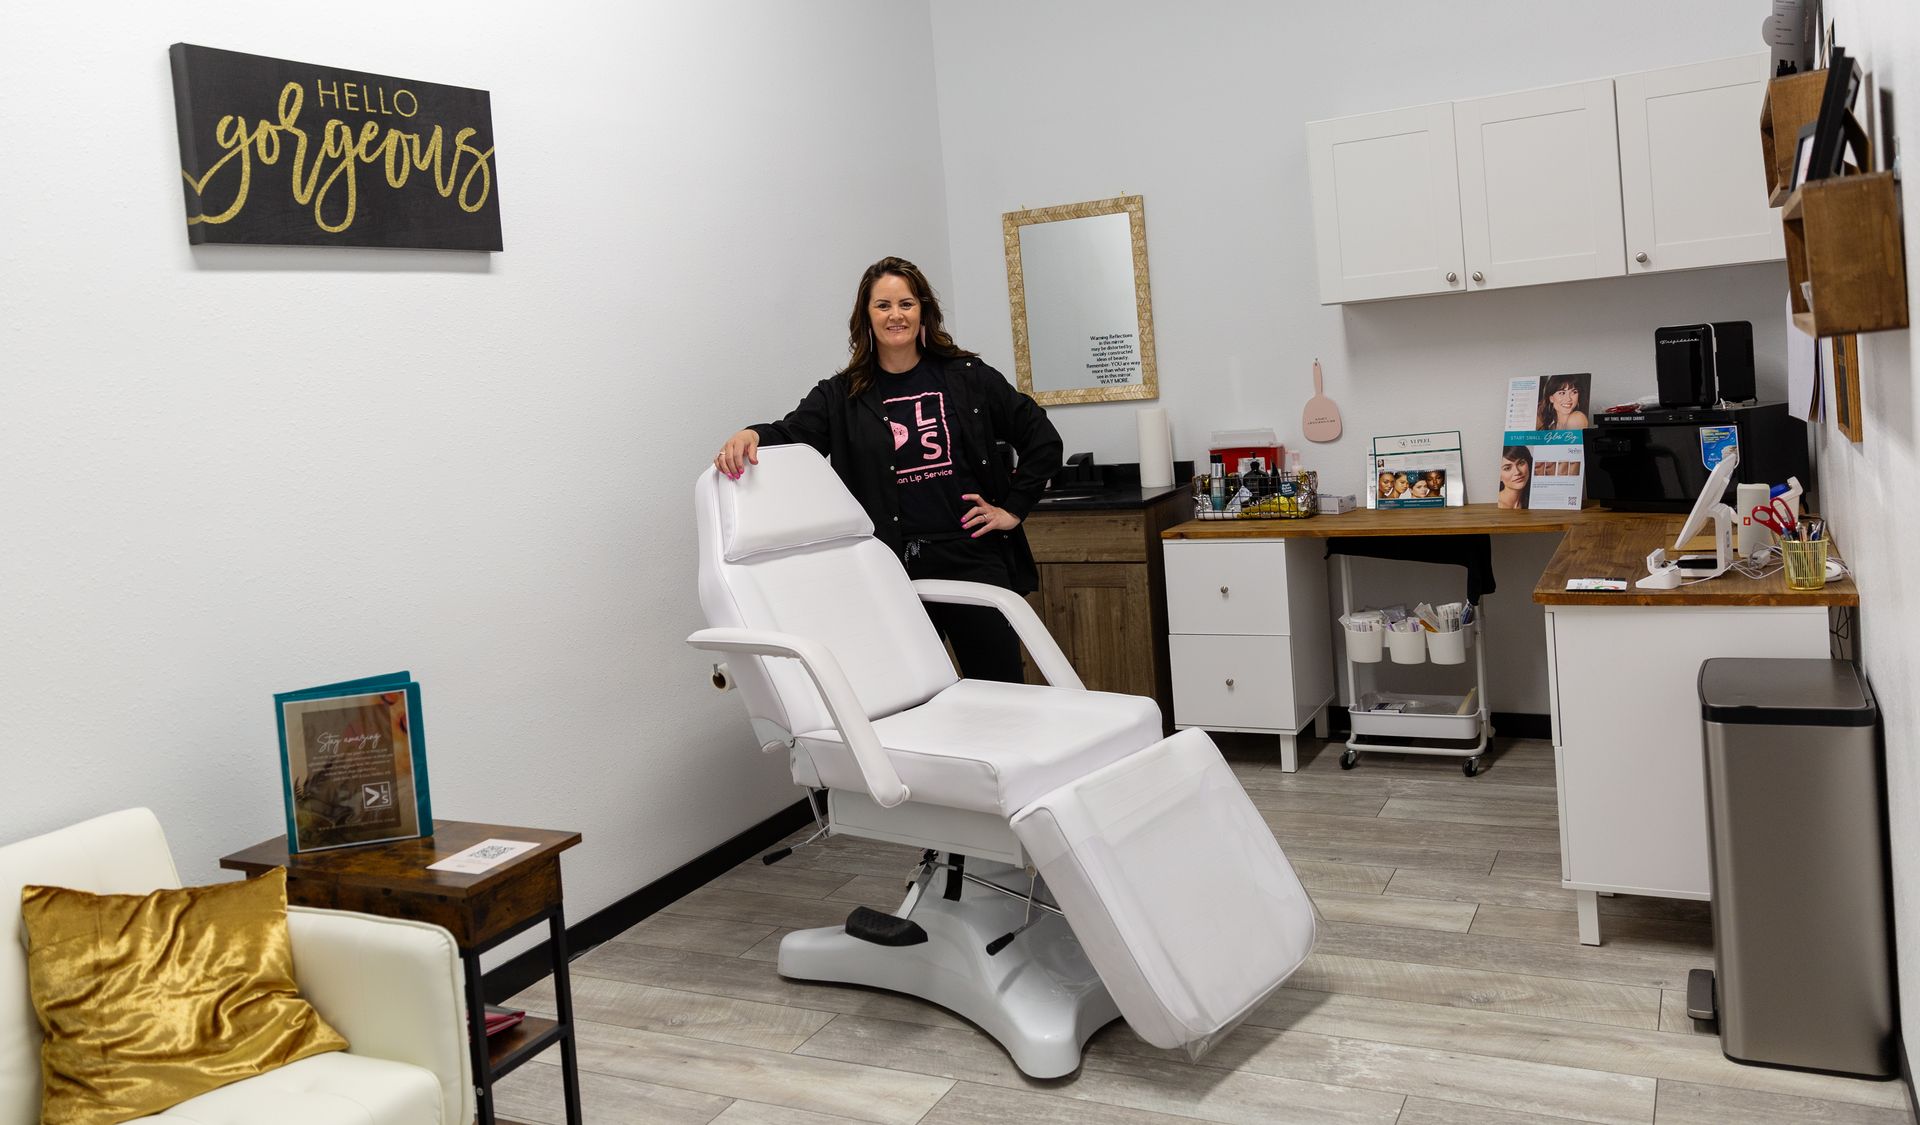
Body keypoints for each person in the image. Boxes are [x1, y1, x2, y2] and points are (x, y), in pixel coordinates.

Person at [713, 256, 1063, 683]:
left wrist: (1012, 507)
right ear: (866, 317)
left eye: (906, 304)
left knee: (1001, 689)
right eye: (883, 305)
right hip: (890, 568)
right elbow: (794, 434)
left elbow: (1042, 439)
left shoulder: (968, 377)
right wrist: (752, 435)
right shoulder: (840, 395)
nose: (896, 315)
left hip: (972, 557)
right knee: (912, 694)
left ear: (923, 311)